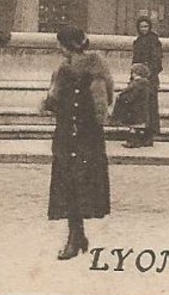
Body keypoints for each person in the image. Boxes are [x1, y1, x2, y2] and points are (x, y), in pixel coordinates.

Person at [41, 25, 112, 259]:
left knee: (75, 184)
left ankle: (75, 237)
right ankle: (77, 235)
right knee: (71, 184)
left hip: (81, 135)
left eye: (61, 44)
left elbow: (98, 104)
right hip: (76, 134)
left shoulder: (85, 70)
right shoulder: (76, 70)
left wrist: (49, 103)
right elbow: (104, 101)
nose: (59, 49)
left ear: (68, 45)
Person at [111, 62, 159, 148]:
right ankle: (144, 141)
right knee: (139, 126)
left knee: (134, 127)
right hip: (142, 108)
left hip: (134, 109)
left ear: (136, 73)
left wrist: (121, 98)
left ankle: (133, 142)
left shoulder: (136, 84)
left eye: (132, 72)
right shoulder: (147, 84)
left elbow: (130, 96)